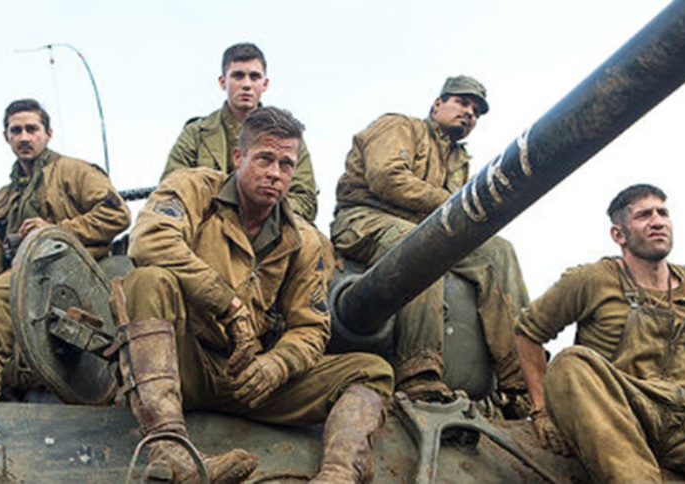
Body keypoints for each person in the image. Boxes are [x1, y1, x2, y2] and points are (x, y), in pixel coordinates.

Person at [120, 106, 393, 484]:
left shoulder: (306, 241)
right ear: (239, 157)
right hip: (184, 364)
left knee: (372, 371)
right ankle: (170, 450)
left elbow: (311, 327)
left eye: (286, 164)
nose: (275, 173)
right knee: (147, 281)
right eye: (264, 159)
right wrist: (226, 302)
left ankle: (338, 474)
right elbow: (149, 240)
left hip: (251, 379)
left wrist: (276, 365)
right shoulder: (194, 189)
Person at [0, 99, 131, 480]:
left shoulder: (73, 172)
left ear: (48, 133)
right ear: (7, 137)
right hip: (9, 285)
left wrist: (58, 229)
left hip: (54, 278)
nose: (24, 137)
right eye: (16, 130)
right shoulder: (4, 196)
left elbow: (117, 214)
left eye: (32, 129)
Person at [515, 184, 685, 483]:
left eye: (662, 213)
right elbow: (527, 331)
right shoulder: (591, 280)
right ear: (619, 235)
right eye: (644, 215)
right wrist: (541, 410)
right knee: (570, 363)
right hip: (629, 413)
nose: (657, 221)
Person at [330, 75, 530, 413]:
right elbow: (386, 178)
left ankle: (520, 380)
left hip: (427, 228)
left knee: (498, 251)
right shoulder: (399, 126)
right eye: (462, 103)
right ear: (438, 104)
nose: (469, 113)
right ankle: (418, 370)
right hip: (364, 219)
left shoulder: (458, 160)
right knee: (426, 245)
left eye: (476, 111)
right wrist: (456, 203)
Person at [161, 42, 318, 222]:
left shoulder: (287, 138)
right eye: (238, 76)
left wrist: (261, 211)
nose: (246, 85)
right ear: (223, 82)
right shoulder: (196, 134)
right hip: (204, 228)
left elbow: (305, 201)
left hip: (269, 232)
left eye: (254, 77)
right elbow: (171, 190)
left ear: (265, 84)